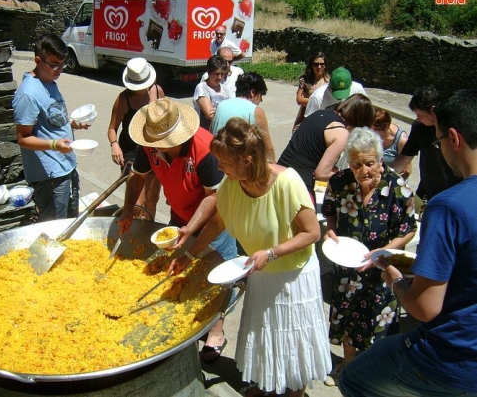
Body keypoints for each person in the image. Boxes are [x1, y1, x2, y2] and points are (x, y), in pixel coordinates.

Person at [170, 117, 331, 397]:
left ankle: (294, 392)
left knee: (293, 339)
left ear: (246, 160)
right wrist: (188, 255)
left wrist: (272, 253)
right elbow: (217, 223)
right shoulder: (232, 184)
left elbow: (312, 233)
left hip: (293, 276)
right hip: (261, 272)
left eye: (225, 162)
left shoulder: (287, 182)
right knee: (266, 333)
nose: (219, 168)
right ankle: (267, 384)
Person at [339, 89, 477, 397]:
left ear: (454, 139)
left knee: (353, 379)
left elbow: (424, 307)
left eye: (438, 142)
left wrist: (396, 280)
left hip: (450, 358)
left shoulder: (447, 207)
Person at [117, 97, 237, 363]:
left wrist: (190, 228)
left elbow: (214, 198)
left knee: (215, 278)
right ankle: (184, 319)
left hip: (214, 222)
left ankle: (216, 332)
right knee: (181, 270)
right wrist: (127, 210)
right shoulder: (149, 144)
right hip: (180, 216)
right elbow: (138, 176)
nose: (156, 146)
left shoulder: (204, 148)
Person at [321, 127, 417, 385]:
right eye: (357, 164)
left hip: (382, 269)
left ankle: (373, 375)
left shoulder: (397, 187)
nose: (364, 170)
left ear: (380, 159)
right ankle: (347, 365)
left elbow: (409, 229)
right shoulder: (340, 181)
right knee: (348, 315)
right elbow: (329, 209)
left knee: (379, 321)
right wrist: (331, 229)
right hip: (348, 265)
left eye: (370, 163)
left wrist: (383, 253)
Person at [12, 34, 89, 222]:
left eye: (62, 64)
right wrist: (54, 144)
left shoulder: (48, 81)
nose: (59, 70)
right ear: (38, 60)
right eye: (54, 65)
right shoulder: (28, 94)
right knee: (54, 228)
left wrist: (70, 124)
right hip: (50, 176)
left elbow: (49, 120)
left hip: (66, 166)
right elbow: (23, 138)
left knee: (70, 222)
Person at [277, 94, 376, 204]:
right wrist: (345, 174)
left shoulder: (319, 114)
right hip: (298, 186)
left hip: (279, 174)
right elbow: (321, 174)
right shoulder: (341, 134)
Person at [107, 57, 164, 219]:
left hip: (154, 149)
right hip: (132, 152)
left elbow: (167, 117)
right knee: (137, 204)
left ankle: (149, 230)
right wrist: (114, 144)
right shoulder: (123, 99)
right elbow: (112, 128)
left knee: (151, 200)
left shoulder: (158, 91)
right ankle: (135, 230)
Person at [391, 86, 462, 208]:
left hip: (453, 195)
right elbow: (406, 155)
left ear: (433, 110)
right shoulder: (420, 127)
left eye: (420, 115)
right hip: (425, 192)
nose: (418, 119)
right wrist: (386, 174)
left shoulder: (456, 129)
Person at [210, 72, 275, 162]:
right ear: (253, 92)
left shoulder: (221, 105)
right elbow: (269, 150)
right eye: (260, 96)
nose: (260, 100)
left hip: (215, 159)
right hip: (237, 165)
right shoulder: (256, 111)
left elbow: (211, 131)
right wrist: (273, 165)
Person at [292, 51, 330, 132]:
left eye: (322, 64)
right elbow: (299, 100)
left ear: (325, 65)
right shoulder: (305, 80)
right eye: (316, 64)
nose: (319, 67)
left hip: (323, 118)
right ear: (311, 66)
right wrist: (318, 101)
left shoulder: (329, 81)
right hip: (306, 116)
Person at [193, 55, 232, 131]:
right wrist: (227, 112)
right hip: (207, 131)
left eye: (222, 74)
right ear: (209, 72)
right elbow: (210, 115)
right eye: (216, 74)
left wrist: (217, 110)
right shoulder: (202, 87)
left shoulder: (226, 89)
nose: (219, 77)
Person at [372, 108, 412, 178]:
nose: (370, 132)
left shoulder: (401, 140)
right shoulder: (370, 136)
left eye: (374, 129)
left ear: (385, 127)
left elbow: (407, 171)